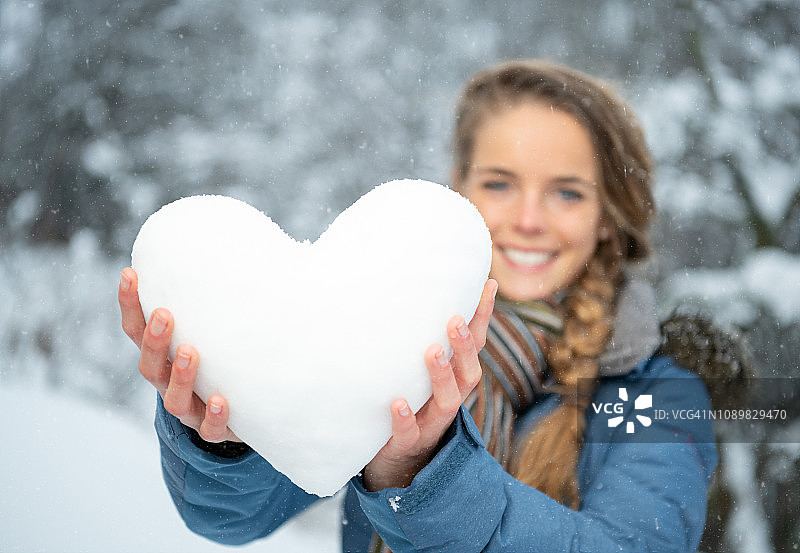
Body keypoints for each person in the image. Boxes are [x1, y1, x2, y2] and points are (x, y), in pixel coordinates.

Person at [119, 60, 723, 553]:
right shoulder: (390, 338)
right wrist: (225, 440)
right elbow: (235, 520)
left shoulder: (659, 396)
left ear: (609, 217)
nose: (529, 219)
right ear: (458, 189)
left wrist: (425, 473)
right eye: (500, 183)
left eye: (566, 192)